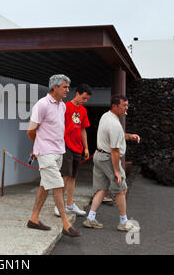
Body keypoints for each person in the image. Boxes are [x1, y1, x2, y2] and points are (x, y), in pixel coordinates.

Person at [26, 74, 81, 237]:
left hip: (58, 151)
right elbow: (30, 131)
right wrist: (38, 147)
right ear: (54, 87)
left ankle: (33, 219)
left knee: (45, 186)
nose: (67, 90)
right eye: (64, 87)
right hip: (46, 152)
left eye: (68, 87)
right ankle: (66, 223)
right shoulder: (41, 105)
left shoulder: (62, 106)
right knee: (57, 185)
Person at [83, 95, 141, 232]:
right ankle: (123, 222)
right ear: (115, 106)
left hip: (99, 156)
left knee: (102, 189)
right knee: (121, 190)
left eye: (127, 105)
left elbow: (117, 135)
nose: (126, 108)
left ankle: (90, 219)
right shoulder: (114, 124)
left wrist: (129, 136)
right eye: (124, 105)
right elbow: (115, 151)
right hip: (109, 158)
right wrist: (116, 171)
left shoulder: (106, 116)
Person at [54, 83, 92, 218]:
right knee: (65, 176)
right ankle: (59, 205)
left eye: (87, 99)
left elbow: (83, 130)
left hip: (78, 147)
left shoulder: (83, 111)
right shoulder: (65, 107)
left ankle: (70, 204)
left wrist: (86, 147)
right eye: (84, 98)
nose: (85, 101)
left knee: (73, 177)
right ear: (77, 93)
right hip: (65, 145)